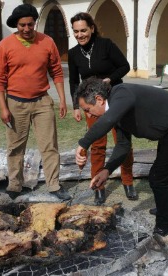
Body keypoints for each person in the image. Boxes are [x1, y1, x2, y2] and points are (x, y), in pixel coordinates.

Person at [74, 77, 168, 239]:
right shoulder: (115, 111)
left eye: (87, 109)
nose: (89, 115)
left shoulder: (121, 94)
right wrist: (107, 170)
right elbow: (123, 146)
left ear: (99, 99)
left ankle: (165, 230)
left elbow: (109, 120)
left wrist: (83, 143)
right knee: (166, 169)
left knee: (158, 176)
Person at [0, 3, 70, 200]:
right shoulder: (5, 46)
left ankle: (54, 184)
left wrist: (61, 99)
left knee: (49, 145)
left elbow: (57, 71)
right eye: (22, 25)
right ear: (16, 25)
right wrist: (3, 107)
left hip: (42, 102)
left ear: (35, 23)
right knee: (15, 147)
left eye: (30, 24)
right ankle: (15, 185)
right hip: (15, 103)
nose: (26, 29)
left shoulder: (47, 42)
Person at [68, 12, 137, 205]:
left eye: (83, 30)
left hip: (115, 99)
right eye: (76, 31)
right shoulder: (74, 53)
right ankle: (98, 185)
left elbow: (124, 66)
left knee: (122, 142)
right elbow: (74, 81)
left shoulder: (106, 45)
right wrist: (75, 105)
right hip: (92, 104)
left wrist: (109, 79)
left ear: (91, 28)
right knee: (97, 144)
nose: (80, 35)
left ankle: (128, 181)